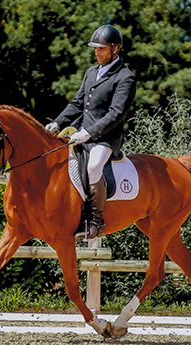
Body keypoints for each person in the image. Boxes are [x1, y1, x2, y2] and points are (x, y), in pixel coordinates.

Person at [45, 24, 136, 240]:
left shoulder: (125, 77)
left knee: (94, 166)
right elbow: (77, 103)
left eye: (101, 48)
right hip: (82, 134)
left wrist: (88, 133)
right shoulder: (91, 72)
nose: (96, 52)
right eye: (95, 48)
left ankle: (96, 222)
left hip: (106, 139)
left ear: (116, 49)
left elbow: (116, 114)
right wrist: (57, 123)